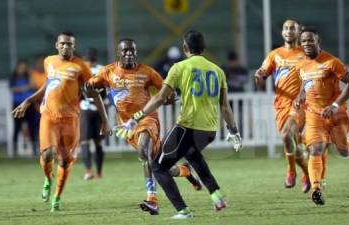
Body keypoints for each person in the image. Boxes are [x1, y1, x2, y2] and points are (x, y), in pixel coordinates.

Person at [114, 30, 243, 219]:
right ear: (204, 48)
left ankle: (183, 210)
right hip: (209, 130)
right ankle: (217, 196)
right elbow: (225, 106)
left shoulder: (179, 67)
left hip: (187, 126)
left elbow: (159, 98)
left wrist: (136, 118)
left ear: (185, 48)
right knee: (192, 155)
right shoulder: (218, 70)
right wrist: (234, 131)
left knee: (158, 166)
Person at [86, 38, 202, 216]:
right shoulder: (107, 72)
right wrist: (88, 89)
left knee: (143, 152)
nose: (129, 53)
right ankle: (185, 170)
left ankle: (152, 199)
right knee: (158, 165)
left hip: (147, 120)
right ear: (119, 53)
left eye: (132, 50)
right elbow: (90, 89)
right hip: (127, 126)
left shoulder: (148, 72)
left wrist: (172, 98)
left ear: (136, 52)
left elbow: (166, 92)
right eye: (125, 50)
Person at [11, 32, 111, 212]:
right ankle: (48, 179)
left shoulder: (81, 66)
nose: (66, 47)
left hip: (70, 118)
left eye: (69, 44)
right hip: (49, 115)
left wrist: (105, 120)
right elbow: (48, 85)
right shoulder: (49, 61)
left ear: (74, 46)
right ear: (57, 45)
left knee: (65, 161)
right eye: (63, 44)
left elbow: (93, 93)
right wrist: (28, 101)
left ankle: (57, 197)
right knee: (48, 154)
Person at [294, 27, 349, 205]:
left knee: (344, 151)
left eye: (310, 40)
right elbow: (305, 84)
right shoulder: (301, 64)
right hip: (313, 115)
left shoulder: (332, 62)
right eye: (304, 41)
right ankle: (316, 188)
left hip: (336, 113)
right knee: (315, 149)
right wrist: (300, 97)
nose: (307, 44)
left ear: (318, 42)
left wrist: (335, 105)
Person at [254, 19, 310, 193]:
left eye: (292, 28)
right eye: (285, 28)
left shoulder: (306, 53)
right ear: (282, 33)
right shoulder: (275, 55)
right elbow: (261, 81)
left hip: (300, 103)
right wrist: (258, 77)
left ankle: (292, 172)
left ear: (299, 31)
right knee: (290, 140)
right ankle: (304, 173)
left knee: (288, 134)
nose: (288, 31)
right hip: (280, 105)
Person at [80, 47, 107, 180]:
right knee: (98, 143)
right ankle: (98, 172)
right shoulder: (103, 70)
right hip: (98, 110)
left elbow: (78, 90)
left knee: (85, 142)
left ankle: (89, 171)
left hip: (86, 109)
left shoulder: (83, 70)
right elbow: (107, 90)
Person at [9, 59, 38, 157]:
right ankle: (14, 151)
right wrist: (25, 87)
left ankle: (34, 150)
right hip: (17, 105)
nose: (23, 69)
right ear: (17, 67)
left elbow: (34, 85)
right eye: (21, 66)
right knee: (17, 128)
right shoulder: (13, 78)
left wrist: (30, 75)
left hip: (29, 105)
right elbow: (12, 89)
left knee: (32, 128)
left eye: (24, 67)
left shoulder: (29, 76)